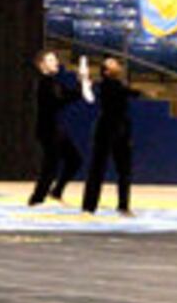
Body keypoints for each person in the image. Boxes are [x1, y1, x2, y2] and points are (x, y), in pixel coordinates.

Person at [29, 51, 90, 206]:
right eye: (50, 59)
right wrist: (80, 88)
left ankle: (56, 192)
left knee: (74, 160)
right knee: (50, 167)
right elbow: (58, 101)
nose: (56, 61)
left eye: (55, 59)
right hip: (47, 129)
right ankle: (36, 200)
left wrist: (82, 84)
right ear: (42, 65)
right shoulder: (43, 83)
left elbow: (69, 96)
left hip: (56, 129)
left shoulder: (54, 82)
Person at [81, 57, 136, 216]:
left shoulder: (118, 84)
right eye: (112, 64)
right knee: (97, 169)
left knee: (124, 169)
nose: (117, 65)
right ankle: (89, 206)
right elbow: (128, 93)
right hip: (106, 129)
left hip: (121, 128)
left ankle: (123, 205)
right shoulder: (106, 85)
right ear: (106, 71)